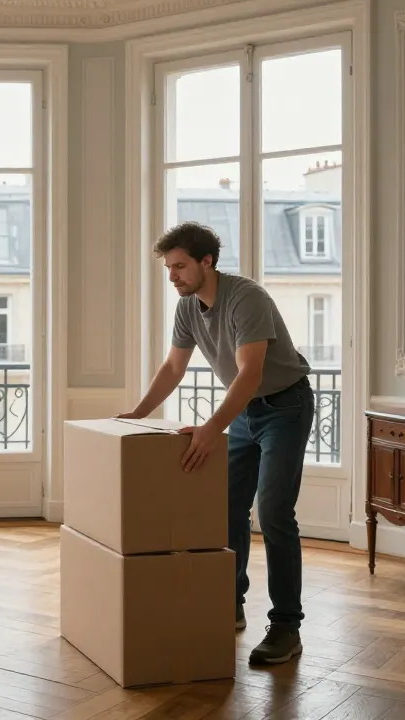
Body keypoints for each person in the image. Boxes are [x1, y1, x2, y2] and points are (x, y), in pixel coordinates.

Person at [116, 222, 314, 666]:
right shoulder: (187, 307)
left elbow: (250, 373)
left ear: (207, 261)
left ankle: (286, 626)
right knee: (226, 508)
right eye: (169, 268)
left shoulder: (247, 298)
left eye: (180, 266)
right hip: (246, 409)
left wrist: (209, 429)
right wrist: (139, 412)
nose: (173, 276)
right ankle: (229, 604)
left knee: (276, 512)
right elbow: (173, 367)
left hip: (285, 405)